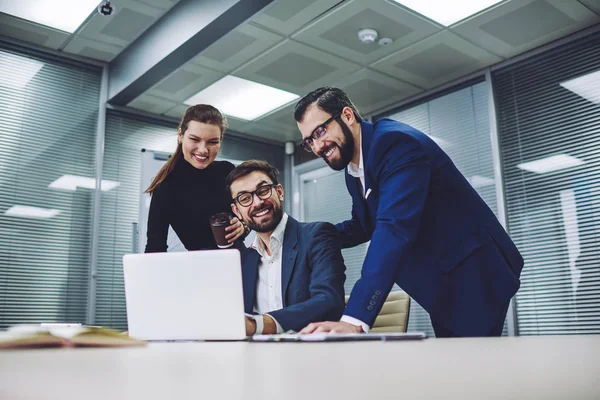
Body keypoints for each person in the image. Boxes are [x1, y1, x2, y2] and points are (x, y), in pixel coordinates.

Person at [294, 87, 524, 337]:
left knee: (471, 368)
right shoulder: (356, 168)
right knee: (458, 367)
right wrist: (307, 237)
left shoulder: (394, 144)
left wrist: (354, 319)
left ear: (347, 116)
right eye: (309, 141)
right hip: (445, 283)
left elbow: (393, 229)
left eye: (320, 131)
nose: (317, 147)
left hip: (473, 276)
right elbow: (363, 224)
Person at [226, 160, 346, 335]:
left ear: (279, 192)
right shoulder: (244, 260)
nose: (257, 202)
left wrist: (261, 324)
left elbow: (329, 300)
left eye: (263, 190)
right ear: (237, 211)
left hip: (311, 353)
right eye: (245, 198)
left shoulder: (317, 235)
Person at [144, 104, 247, 253]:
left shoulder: (227, 171)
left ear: (221, 140)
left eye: (212, 142)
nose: (203, 150)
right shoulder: (165, 187)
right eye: (195, 139)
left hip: (241, 261)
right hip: (201, 267)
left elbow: (250, 215)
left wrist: (243, 226)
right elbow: (155, 247)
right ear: (180, 135)